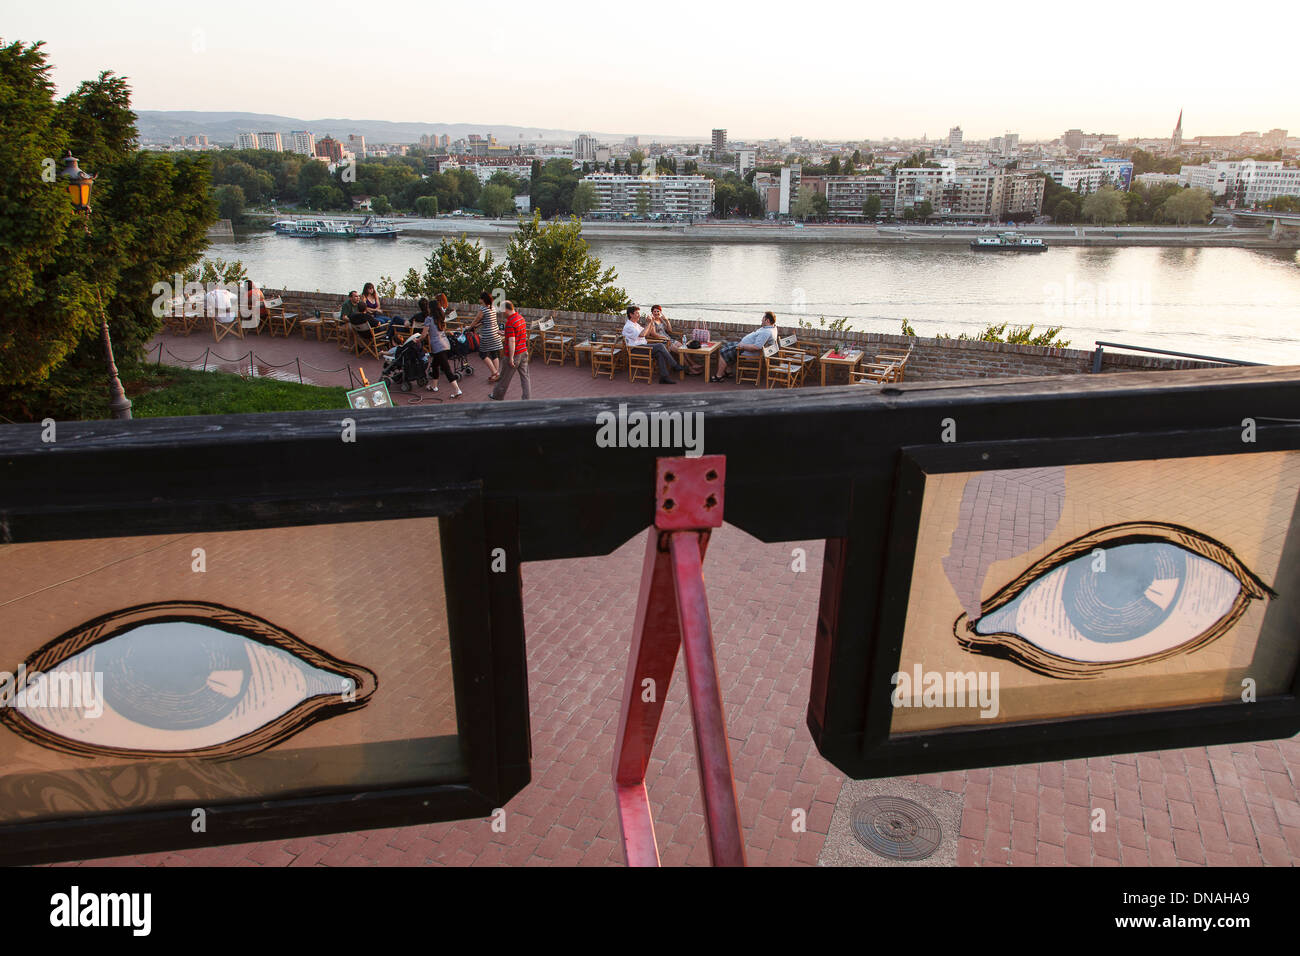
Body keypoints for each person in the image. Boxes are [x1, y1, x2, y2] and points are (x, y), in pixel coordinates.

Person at [623, 305, 684, 384]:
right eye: (637, 313)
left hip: (642, 347)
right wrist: (649, 323)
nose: (639, 315)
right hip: (635, 349)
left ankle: (664, 377)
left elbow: (647, 334)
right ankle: (675, 365)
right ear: (631, 314)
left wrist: (651, 323)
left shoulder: (636, 324)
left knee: (659, 353)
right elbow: (642, 334)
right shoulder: (629, 326)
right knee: (660, 345)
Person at [713, 311, 777, 381]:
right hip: (746, 348)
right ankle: (728, 372)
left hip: (748, 352)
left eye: (763, 318)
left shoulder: (766, 332)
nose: (761, 320)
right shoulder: (772, 328)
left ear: (767, 320)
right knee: (727, 346)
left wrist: (743, 346)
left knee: (723, 352)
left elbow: (757, 347)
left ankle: (718, 376)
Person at [490, 301, 531, 401]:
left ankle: (497, 396)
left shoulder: (510, 322)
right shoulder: (520, 318)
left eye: (502, 311)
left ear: (506, 309)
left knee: (504, 377)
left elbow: (512, 341)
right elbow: (518, 334)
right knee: (525, 377)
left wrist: (511, 358)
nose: (502, 313)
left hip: (514, 354)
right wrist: (505, 333)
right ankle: (527, 398)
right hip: (523, 352)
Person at [423, 299, 463, 398]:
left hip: (437, 346)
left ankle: (457, 390)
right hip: (445, 344)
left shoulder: (429, 319)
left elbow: (424, 334)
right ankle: (434, 386)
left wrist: (418, 339)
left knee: (446, 369)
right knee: (434, 365)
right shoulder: (441, 318)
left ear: (430, 308)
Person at [647, 304, 703, 376]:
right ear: (652, 312)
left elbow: (669, 330)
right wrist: (664, 338)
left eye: (658, 311)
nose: (656, 313)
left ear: (660, 312)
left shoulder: (661, 320)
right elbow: (654, 334)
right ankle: (690, 369)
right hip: (661, 342)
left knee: (683, 347)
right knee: (680, 351)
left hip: (669, 339)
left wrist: (667, 320)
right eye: (654, 311)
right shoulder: (651, 321)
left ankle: (693, 364)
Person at [471, 291, 503, 381]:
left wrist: (470, 327)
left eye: (480, 298)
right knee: (494, 353)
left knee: (482, 354)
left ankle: (495, 373)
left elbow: (477, 319)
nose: (479, 299)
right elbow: (486, 320)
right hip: (496, 333)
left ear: (483, 299)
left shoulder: (483, 309)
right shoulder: (493, 308)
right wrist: (477, 325)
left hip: (488, 335)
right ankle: (496, 375)